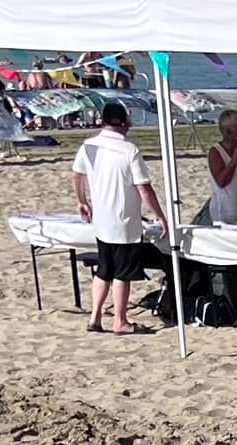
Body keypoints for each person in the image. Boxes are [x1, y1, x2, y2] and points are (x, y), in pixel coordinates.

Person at [70, 101, 168, 337]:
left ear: (102, 121)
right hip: (124, 221)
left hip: (102, 219)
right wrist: (159, 215)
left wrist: (82, 200)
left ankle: (95, 316)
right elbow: (144, 188)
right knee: (122, 272)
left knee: (104, 269)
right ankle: (120, 320)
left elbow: (77, 175)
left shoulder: (89, 145)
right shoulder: (129, 149)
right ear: (125, 122)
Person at [205, 109, 237, 226]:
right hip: (228, 219)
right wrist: (234, 160)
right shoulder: (216, 152)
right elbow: (221, 182)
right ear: (228, 133)